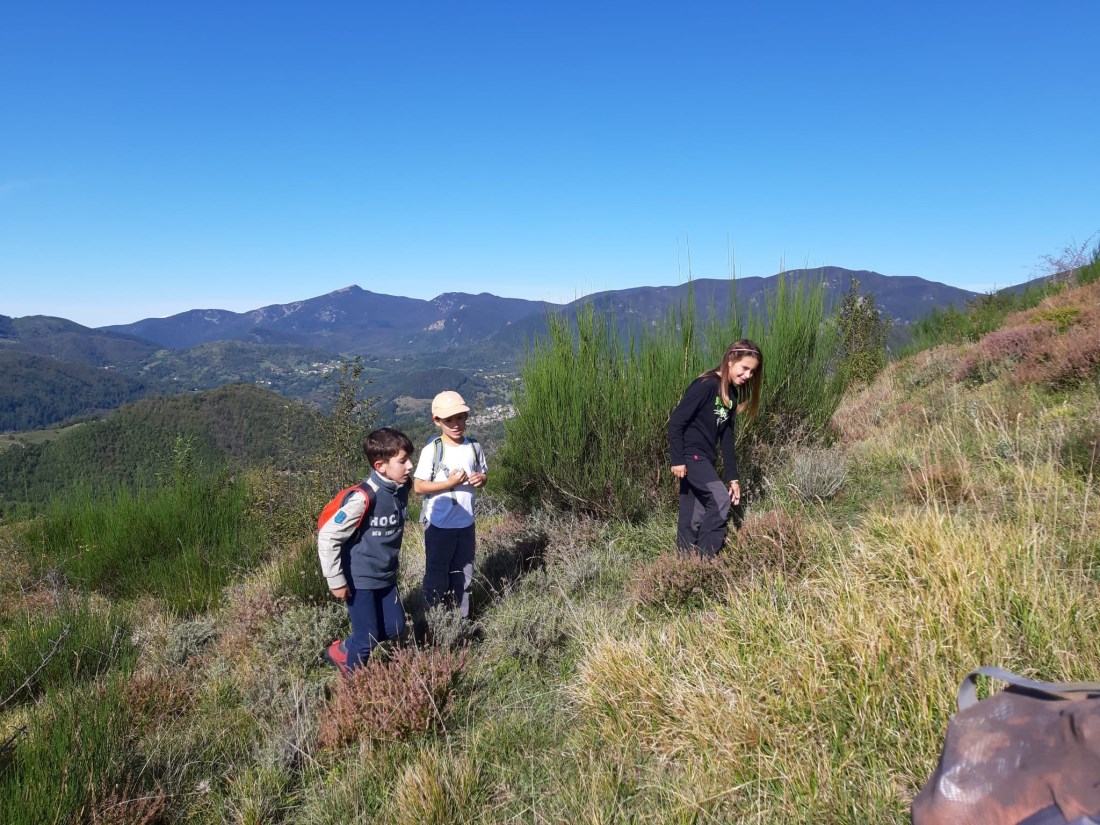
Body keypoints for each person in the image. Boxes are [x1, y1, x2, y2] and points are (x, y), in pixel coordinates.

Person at [317, 427, 414, 673]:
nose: (410, 465)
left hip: (386, 575)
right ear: (380, 466)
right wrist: (336, 580)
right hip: (360, 578)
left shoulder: (401, 487)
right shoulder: (364, 498)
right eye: (403, 461)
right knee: (367, 638)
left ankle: (342, 650)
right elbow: (328, 536)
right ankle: (351, 694)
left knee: (394, 627)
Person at [667, 339, 763, 556]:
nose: (748, 375)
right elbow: (676, 421)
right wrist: (677, 459)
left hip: (705, 458)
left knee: (693, 511)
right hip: (691, 455)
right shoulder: (706, 385)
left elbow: (727, 439)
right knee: (720, 500)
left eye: (752, 372)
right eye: (744, 368)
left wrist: (733, 479)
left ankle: (683, 564)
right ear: (730, 360)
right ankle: (705, 562)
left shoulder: (731, 395)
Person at [413, 391, 488, 620]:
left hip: (466, 523)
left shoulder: (474, 446)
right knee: (436, 578)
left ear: (466, 417)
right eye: (449, 420)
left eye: (460, 418)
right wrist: (449, 483)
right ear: (437, 421)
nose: (456, 424)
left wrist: (481, 479)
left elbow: (484, 475)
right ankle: (434, 625)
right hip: (438, 525)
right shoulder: (432, 450)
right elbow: (418, 486)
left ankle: (461, 622)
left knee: (464, 577)